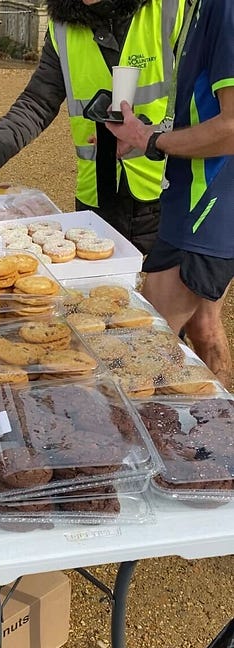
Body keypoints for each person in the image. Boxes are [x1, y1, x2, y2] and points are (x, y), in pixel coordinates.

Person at [0, 0, 187, 255]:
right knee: (101, 287)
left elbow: (203, 99)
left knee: (162, 292)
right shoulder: (61, 26)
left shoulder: (170, 7)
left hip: (166, 189)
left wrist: (149, 134)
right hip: (96, 193)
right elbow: (39, 100)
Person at [106, 0, 234, 386]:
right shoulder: (202, 6)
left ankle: (156, 446)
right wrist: (150, 136)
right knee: (206, 329)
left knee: (139, 357)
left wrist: (153, 139)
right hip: (203, 203)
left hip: (206, 206)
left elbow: (231, 127)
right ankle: (218, 438)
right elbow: (205, 111)